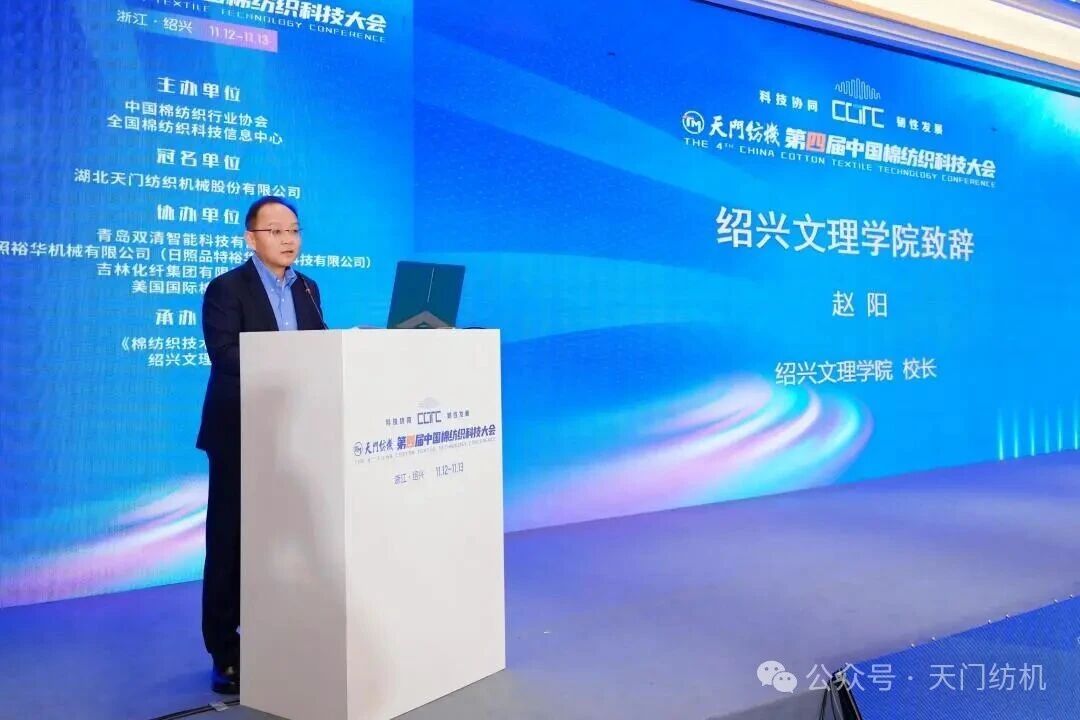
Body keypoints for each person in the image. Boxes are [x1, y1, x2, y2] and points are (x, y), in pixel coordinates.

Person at [195, 196, 326, 694]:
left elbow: (319, 348)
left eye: (294, 229)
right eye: (276, 231)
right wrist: (288, 365)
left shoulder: (308, 288)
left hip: (296, 434)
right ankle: (224, 651)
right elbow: (225, 354)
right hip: (239, 432)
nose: (288, 239)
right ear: (251, 238)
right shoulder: (226, 288)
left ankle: (281, 633)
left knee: (286, 540)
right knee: (230, 542)